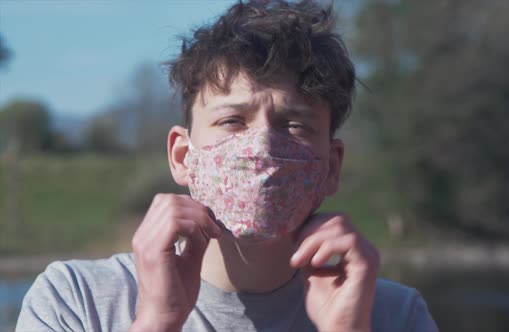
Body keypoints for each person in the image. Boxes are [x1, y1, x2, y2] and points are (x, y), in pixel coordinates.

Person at [16, 1, 439, 331]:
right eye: (232, 121)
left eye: (294, 125)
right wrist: (156, 324)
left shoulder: (394, 316)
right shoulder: (76, 300)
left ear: (331, 166)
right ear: (182, 156)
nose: (262, 148)